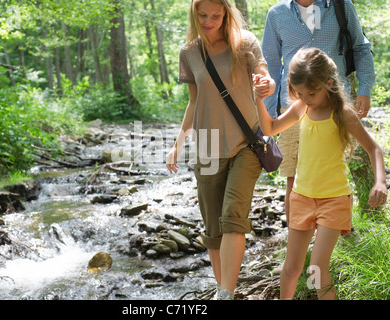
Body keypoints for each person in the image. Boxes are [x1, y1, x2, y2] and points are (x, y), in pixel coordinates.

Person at [253, 48, 387, 300]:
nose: (306, 97)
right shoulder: (301, 107)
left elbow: (373, 148)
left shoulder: (342, 114)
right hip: (301, 197)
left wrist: (380, 182)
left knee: (317, 268)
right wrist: (258, 99)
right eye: (300, 93)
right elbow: (269, 129)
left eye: (311, 93)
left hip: (334, 200)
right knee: (291, 268)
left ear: (328, 82)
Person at [165, 0, 274, 299]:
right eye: (202, 16)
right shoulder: (189, 52)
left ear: (226, 13)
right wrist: (177, 145)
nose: (208, 21)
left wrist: (266, 84)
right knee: (213, 231)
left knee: (232, 218)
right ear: (194, 14)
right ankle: (222, 290)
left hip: (246, 143)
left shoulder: (246, 43)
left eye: (215, 15)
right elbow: (193, 101)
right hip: (208, 147)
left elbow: (265, 77)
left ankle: (225, 293)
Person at [261, 0, 376, 222]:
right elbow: (272, 64)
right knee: (294, 178)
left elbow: (360, 47)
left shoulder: (341, 6)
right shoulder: (277, 14)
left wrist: (365, 88)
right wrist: (270, 111)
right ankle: (299, 242)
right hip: (294, 105)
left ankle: (340, 229)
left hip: (335, 103)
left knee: (335, 168)